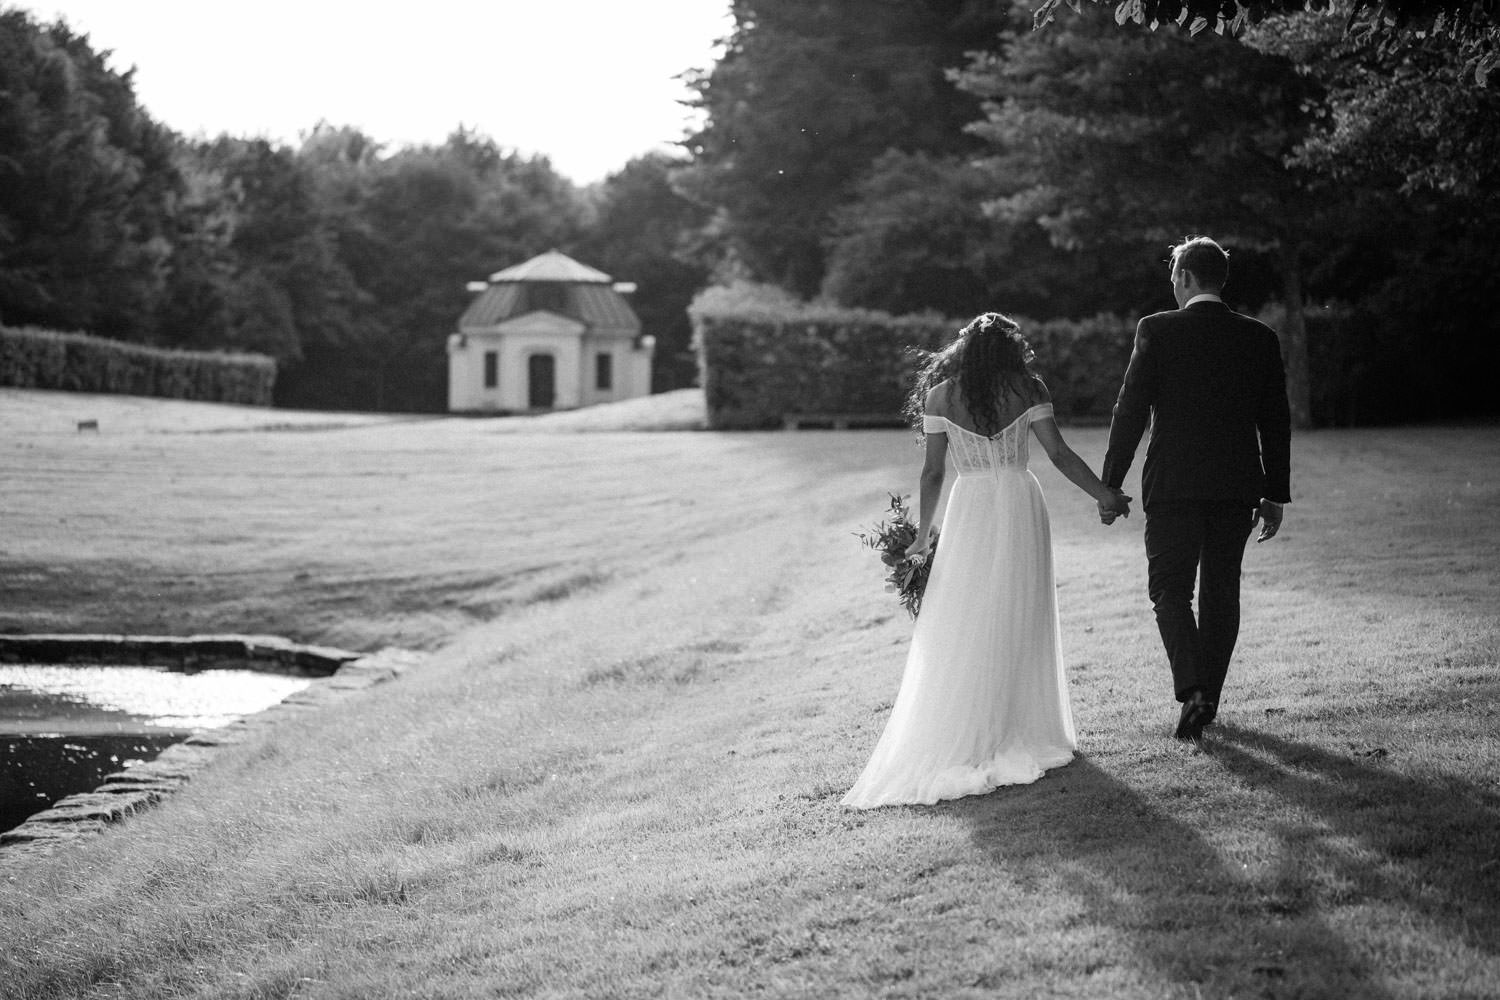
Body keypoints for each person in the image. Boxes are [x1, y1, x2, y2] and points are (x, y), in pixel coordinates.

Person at [842, 312, 1131, 809]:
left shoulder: (940, 396)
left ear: (963, 351)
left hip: (970, 507)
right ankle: (1019, 726)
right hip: (1019, 499)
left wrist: (920, 539)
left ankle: (980, 724)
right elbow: (1059, 454)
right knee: (1021, 611)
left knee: (969, 614)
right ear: (1011, 349)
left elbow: (932, 474)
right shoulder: (1029, 388)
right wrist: (1103, 494)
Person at [1101, 236, 1292, 742]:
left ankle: (1194, 692)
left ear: (1184, 278)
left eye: (1173, 276)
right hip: (1237, 486)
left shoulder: (1157, 329)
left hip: (1173, 484)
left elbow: (1131, 410)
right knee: (1221, 594)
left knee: (1169, 590)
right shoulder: (1259, 337)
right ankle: (1208, 695)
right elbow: (1275, 420)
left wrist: (1111, 483)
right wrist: (1275, 492)